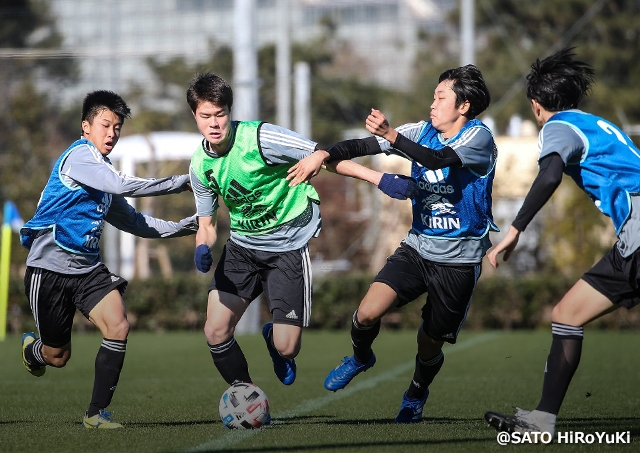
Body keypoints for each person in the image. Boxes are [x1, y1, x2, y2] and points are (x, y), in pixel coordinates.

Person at [186, 72, 412, 408]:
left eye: (220, 114)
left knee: (287, 348)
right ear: (195, 116)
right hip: (242, 249)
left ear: (230, 112)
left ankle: (275, 342)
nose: (214, 123)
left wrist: (377, 178)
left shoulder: (260, 138)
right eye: (206, 116)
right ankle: (249, 399)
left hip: (287, 248)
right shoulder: (200, 165)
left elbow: (322, 155)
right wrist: (202, 246)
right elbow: (206, 224)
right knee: (215, 331)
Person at [288, 64, 498, 423]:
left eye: (440, 97)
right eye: (433, 96)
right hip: (417, 248)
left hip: (459, 260)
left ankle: (416, 393)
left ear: (463, 106)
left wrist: (393, 135)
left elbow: (436, 159)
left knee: (429, 342)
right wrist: (323, 155)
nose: (432, 104)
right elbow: (358, 146)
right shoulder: (420, 130)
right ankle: (359, 356)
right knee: (367, 312)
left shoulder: (478, 139)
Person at [484, 48, 640, 436]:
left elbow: (550, 175)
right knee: (567, 314)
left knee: (567, 315)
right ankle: (542, 420)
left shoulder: (556, 127)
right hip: (631, 240)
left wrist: (515, 229)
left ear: (536, 106)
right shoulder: (596, 123)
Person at [19, 90, 197, 429]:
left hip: (87, 269)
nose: (112, 133)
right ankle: (34, 352)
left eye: (117, 127)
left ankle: (95, 414)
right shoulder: (79, 158)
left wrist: (181, 228)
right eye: (105, 125)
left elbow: (133, 221)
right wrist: (181, 183)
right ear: (86, 126)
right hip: (50, 268)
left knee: (119, 325)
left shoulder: (103, 171)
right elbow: (119, 184)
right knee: (58, 357)